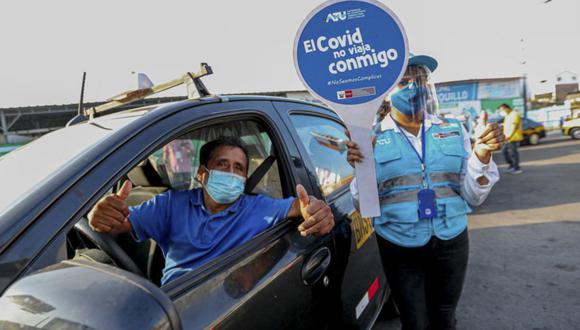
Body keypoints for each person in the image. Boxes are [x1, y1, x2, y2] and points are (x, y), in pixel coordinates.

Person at [346, 53, 503, 330]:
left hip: (451, 241)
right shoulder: (370, 139)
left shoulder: (454, 130)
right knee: (415, 322)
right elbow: (363, 205)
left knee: (445, 317)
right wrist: (362, 169)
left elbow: (473, 196)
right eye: (403, 82)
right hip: (399, 245)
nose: (412, 87)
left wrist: (482, 154)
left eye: (418, 80)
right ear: (385, 92)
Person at [88, 137, 334, 285]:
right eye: (222, 165)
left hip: (225, 302)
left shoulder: (257, 206)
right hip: (175, 302)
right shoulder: (170, 204)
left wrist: (316, 209)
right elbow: (116, 224)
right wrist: (98, 216)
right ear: (202, 174)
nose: (231, 173)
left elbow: (299, 207)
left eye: (239, 168)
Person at [499, 103, 524, 174]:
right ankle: (512, 166)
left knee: (513, 153)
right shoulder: (507, 115)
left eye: (502, 110)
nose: (501, 112)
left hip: (513, 137)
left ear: (506, 108)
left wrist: (509, 136)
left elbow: (514, 126)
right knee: (504, 152)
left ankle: (517, 168)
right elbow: (507, 125)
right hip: (506, 138)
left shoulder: (514, 114)